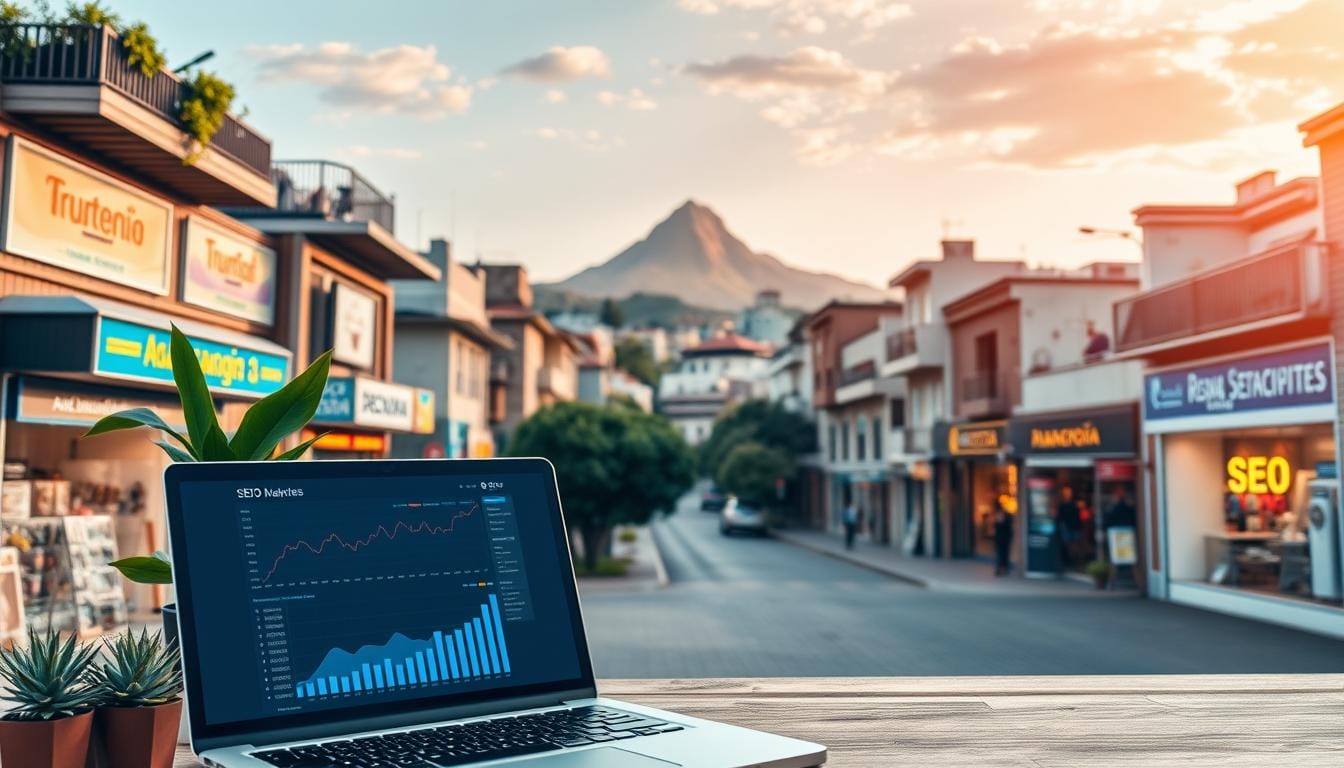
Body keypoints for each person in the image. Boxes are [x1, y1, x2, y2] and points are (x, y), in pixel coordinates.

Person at [1057, 486, 1081, 568]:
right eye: (1065, 492)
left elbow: (1078, 515)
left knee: (1074, 544)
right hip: (1066, 527)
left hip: (1074, 526)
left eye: (1069, 492)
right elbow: (1060, 517)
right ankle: (1069, 559)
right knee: (1067, 544)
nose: (1067, 494)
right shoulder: (1062, 505)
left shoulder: (1075, 504)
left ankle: (1075, 560)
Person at [992, 502, 1014, 576]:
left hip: (1005, 539)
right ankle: (1000, 569)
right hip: (1000, 540)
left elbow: (1009, 529)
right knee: (1000, 554)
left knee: (1004, 554)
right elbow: (996, 529)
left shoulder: (1007, 518)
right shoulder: (998, 519)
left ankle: (1004, 569)